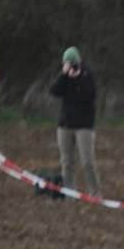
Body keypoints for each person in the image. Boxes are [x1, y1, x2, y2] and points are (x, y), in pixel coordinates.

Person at [48, 46, 101, 197]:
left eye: (73, 63)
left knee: (88, 162)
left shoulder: (87, 74)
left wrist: (78, 77)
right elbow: (54, 91)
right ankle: (69, 193)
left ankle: (95, 193)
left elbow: (90, 93)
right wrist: (63, 75)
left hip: (84, 126)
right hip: (65, 125)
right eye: (68, 63)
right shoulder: (65, 77)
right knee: (67, 162)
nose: (72, 67)